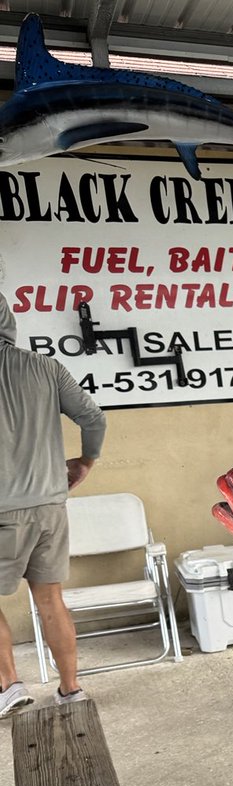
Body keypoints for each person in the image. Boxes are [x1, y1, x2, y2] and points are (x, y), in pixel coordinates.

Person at [0, 292, 107, 717]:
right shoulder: (45, 366)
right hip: (50, 505)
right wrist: (84, 462)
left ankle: (9, 685)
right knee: (51, 599)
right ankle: (70, 689)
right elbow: (94, 418)